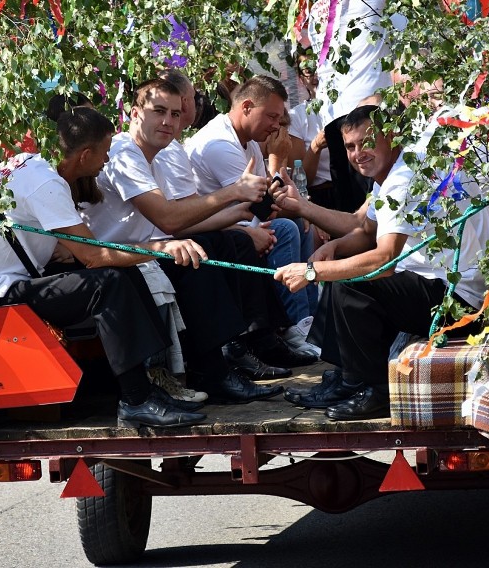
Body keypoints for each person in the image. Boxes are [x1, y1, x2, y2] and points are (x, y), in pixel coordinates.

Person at [0, 106, 207, 428]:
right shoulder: (45, 183)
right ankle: (135, 401)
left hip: (15, 282)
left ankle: (149, 386)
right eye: (105, 153)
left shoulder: (30, 167)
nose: (106, 161)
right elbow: (94, 256)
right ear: (85, 154)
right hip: (0, 295)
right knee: (106, 282)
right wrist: (161, 248)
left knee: (125, 271)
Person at [273, 104, 489, 420]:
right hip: (440, 286)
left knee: (351, 282)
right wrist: (321, 229)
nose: (357, 154)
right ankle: (347, 377)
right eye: (350, 147)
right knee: (343, 265)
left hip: (457, 302)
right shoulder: (393, 172)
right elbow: (365, 229)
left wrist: (312, 271)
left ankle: (376, 388)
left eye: (366, 142)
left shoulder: (403, 179)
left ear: (391, 136)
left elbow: (384, 259)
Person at [80, 77, 290, 403]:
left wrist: (241, 212)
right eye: (158, 111)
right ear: (135, 114)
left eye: (176, 114)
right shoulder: (124, 152)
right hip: (113, 260)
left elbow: (180, 223)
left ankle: (240, 347)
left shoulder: (159, 154)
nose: (169, 121)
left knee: (220, 243)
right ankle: (215, 370)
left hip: (143, 253)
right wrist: (234, 194)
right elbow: (168, 219)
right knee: (196, 259)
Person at [186, 75, 319, 358]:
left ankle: (309, 323)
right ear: (246, 107)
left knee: (303, 224)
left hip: (240, 221)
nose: (276, 125)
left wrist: (302, 208)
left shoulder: (245, 139)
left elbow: (274, 198)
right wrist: (277, 160)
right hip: (218, 231)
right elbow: (265, 205)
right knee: (286, 227)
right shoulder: (220, 143)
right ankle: (294, 327)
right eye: (271, 116)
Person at [307, 0, 407, 213]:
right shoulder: (317, 9)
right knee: (358, 207)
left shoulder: (369, 2)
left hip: (360, 116)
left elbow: (402, 27)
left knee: (376, 203)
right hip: (348, 120)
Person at [288, 48, 334, 210]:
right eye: (309, 71)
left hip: (355, 187)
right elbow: (301, 178)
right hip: (321, 195)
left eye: (319, 68)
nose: (316, 76)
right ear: (301, 79)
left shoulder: (345, 106)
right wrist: (316, 146)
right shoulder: (297, 116)